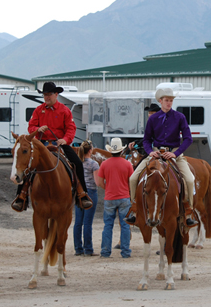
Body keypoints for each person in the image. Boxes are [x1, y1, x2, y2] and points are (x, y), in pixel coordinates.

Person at [11, 82, 93, 212]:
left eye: (49, 94)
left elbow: (71, 128)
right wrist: (38, 129)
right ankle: (21, 196)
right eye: (45, 95)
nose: (46, 97)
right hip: (41, 143)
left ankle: (82, 194)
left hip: (59, 144)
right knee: (28, 164)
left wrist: (65, 140)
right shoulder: (38, 110)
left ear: (56, 94)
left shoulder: (64, 110)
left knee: (77, 162)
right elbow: (31, 127)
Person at [125, 88, 198, 227]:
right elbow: (146, 139)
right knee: (133, 178)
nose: (169, 103)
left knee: (189, 179)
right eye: (166, 100)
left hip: (174, 153)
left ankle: (188, 212)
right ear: (160, 101)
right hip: (156, 153)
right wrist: (150, 152)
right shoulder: (153, 118)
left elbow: (188, 139)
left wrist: (175, 154)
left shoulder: (180, 117)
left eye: (171, 100)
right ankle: (134, 210)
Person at [97, 138, 133, 258]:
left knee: (108, 225)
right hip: (124, 197)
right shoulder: (127, 164)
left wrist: (107, 188)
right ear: (121, 151)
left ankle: (105, 251)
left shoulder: (104, 164)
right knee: (125, 225)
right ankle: (125, 251)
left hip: (110, 197)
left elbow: (99, 181)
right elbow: (131, 181)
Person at [73, 140, 100, 256]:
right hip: (90, 192)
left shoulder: (76, 163)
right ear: (90, 151)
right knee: (87, 222)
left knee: (78, 222)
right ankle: (88, 248)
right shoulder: (94, 164)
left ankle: (78, 248)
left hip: (79, 192)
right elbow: (97, 182)